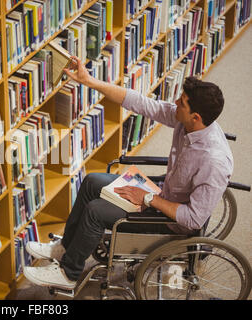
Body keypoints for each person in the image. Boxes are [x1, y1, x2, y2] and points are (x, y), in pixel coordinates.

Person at [23, 56, 234, 290]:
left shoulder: (214, 161)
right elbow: (140, 103)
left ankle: (69, 274)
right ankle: (66, 248)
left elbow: (193, 219)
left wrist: (147, 198)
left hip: (170, 220)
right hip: (163, 194)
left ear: (196, 117)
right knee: (92, 181)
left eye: (182, 103)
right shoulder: (188, 122)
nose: (175, 103)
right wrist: (90, 81)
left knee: (95, 211)